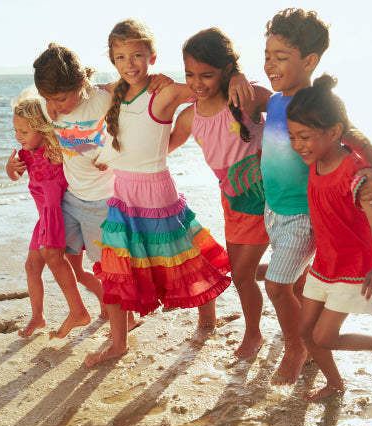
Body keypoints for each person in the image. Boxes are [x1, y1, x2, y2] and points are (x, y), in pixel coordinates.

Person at [85, 18, 253, 367]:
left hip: (156, 192)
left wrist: (238, 75)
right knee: (117, 266)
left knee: (182, 255)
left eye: (137, 55)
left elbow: (209, 87)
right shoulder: (114, 91)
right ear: (113, 60)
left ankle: (207, 315)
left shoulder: (167, 91)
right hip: (122, 192)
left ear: (152, 56)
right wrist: (106, 156)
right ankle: (119, 343)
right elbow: (81, 101)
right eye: (120, 57)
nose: (129, 64)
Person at [261, 8, 372, 386]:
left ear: (309, 61)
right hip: (274, 209)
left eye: (280, 57)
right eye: (267, 56)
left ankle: (296, 348)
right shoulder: (274, 102)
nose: (270, 64)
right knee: (299, 286)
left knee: (277, 286)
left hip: (303, 216)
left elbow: (359, 141)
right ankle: (311, 342)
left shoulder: (316, 107)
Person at [32, 43, 172, 336]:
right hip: (71, 197)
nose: (56, 106)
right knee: (51, 253)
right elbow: (34, 124)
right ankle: (78, 311)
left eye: (61, 98)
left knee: (109, 268)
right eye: (48, 99)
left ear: (81, 85)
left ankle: (126, 317)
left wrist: (110, 153)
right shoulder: (49, 107)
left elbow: (136, 108)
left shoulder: (103, 98)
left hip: (104, 200)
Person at [286, 74, 372, 401]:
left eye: (304, 136)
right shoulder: (316, 160)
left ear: (335, 132)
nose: (297, 145)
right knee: (305, 330)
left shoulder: (356, 175)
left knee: (324, 336)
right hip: (325, 264)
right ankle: (335, 383)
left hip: (354, 268)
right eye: (293, 137)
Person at [169, 27, 272, 358]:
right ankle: (294, 274)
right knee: (241, 271)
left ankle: (254, 335)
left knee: (241, 275)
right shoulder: (190, 116)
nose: (197, 83)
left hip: (264, 197)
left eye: (206, 75)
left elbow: (295, 110)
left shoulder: (245, 98)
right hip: (231, 201)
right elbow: (160, 148)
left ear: (226, 69)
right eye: (190, 75)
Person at [6, 98, 91, 338]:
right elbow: (15, 176)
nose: (18, 136)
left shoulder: (56, 150)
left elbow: (84, 152)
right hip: (42, 218)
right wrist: (10, 168)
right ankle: (38, 317)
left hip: (56, 214)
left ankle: (78, 311)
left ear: (42, 128)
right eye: (15, 130)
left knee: (56, 260)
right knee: (31, 266)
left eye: (24, 131)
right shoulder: (26, 153)